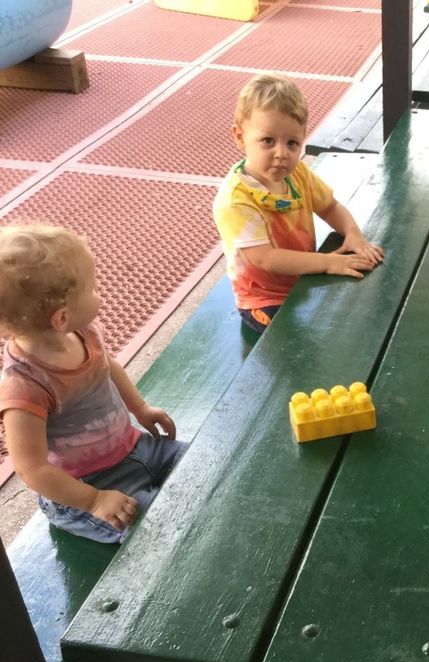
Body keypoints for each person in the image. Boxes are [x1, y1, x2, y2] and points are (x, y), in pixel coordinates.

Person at [0, 225, 187, 543]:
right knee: (159, 530)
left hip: (136, 447)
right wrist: (94, 501)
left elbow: (107, 367)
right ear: (61, 318)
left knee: (204, 467)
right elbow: (31, 468)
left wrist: (139, 408)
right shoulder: (25, 386)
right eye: (91, 289)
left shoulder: (83, 331)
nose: (98, 295)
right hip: (87, 486)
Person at [213, 73, 384, 334]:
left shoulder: (297, 174)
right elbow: (266, 258)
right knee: (293, 340)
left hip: (304, 277)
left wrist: (353, 234)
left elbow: (330, 207)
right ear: (239, 137)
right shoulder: (236, 199)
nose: (282, 153)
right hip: (264, 298)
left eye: (292, 143)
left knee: (363, 304)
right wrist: (327, 262)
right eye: (268, 141)